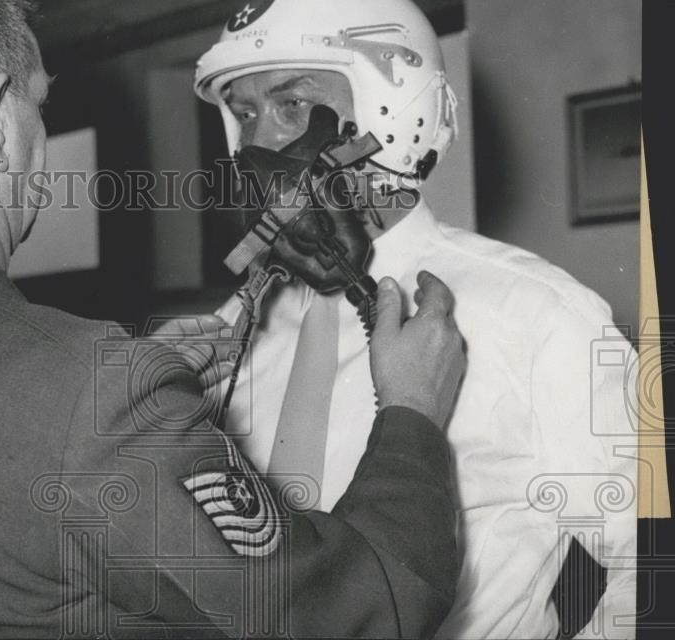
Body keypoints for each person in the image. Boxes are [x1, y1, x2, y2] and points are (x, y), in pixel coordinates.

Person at [0, 1, 468, 637]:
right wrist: (412, 415)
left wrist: (130, 388)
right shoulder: (95, 401)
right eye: (39, 102)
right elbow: (369, 609)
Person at [195, 0, 637, 638]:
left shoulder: (536, 315)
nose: (259, 142)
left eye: (291, 104)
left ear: (395, 109)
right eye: (244, 113)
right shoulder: (230, 331)